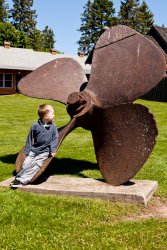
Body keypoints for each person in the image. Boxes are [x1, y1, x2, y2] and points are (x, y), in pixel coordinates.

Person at [10, 104, 58, 188]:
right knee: (26, 164)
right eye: (52, 114)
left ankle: (23, 181)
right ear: (46, 116)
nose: (54, 115)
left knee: (35, 166)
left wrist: (53, 150)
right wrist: (27, 150)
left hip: (44, 152)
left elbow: (55, 138)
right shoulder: (35, 126)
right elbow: (29, 138)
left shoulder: (53, 127)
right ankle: (18, 178)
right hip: (34, 149)